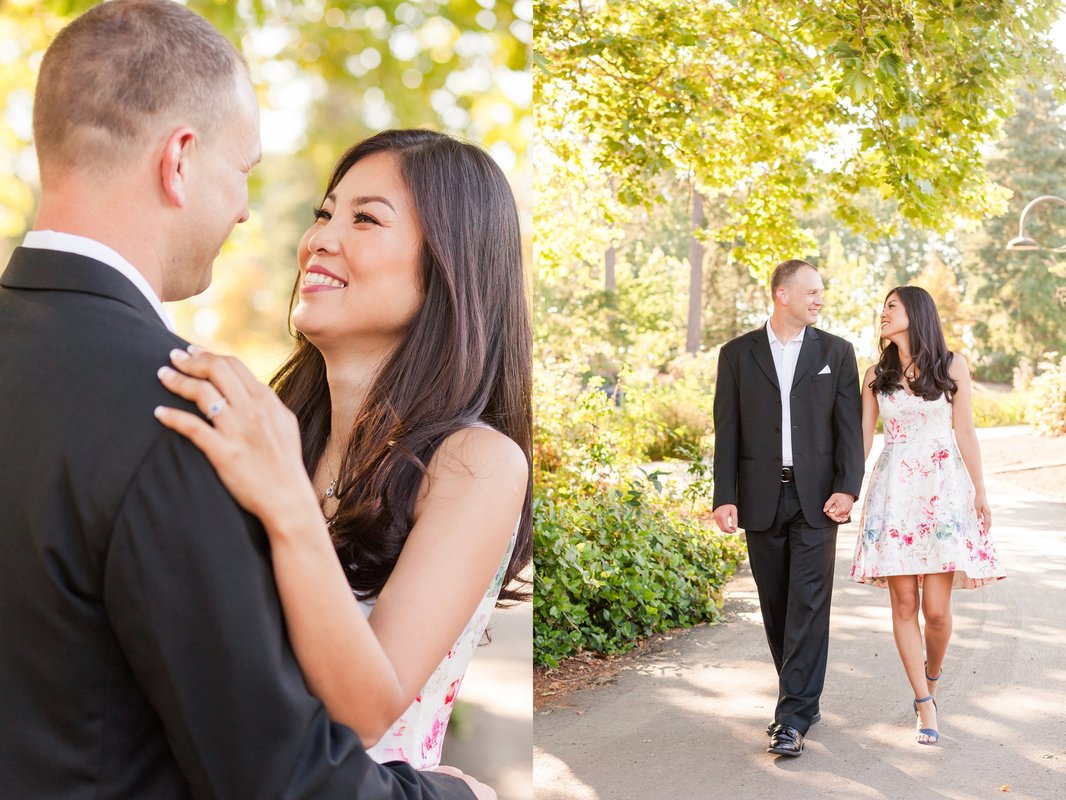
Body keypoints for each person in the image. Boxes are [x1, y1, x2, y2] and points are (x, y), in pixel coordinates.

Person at [0, 2, 487, 798]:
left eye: (363, 218)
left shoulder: (240, 420)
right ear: (180, 160)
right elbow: (271, 774)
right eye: (244, 171)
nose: (249, 211)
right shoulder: (178, 410)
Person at [153, 127, 532, 769]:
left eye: (365, 219)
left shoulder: (476, 463)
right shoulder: (273, 435)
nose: (320, 240)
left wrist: (282, 501)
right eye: (324, 213)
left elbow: (362, 711)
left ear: (448, 263)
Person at [712, 258, 864, 758]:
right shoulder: (737, 354)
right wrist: (724, 495)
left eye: (821, 292)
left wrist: (849, 486)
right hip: (760, 496)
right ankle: (802, 697)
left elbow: (849, 428)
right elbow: (727, 430)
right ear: (782, 294)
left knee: (809, 603)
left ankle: (793, 715)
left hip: (818, 497)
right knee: (776, 605)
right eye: (812, 292)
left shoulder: (837, 353)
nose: (820, 299)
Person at [850, 285, 1005, 745]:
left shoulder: (951, 365)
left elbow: (966, 431)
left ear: (915, 313)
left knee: (936, 613)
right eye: (882, 308)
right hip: (894, 492)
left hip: (942, 491)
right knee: (904, 604)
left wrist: (980, 491)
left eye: (891, 307)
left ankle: (931, 680)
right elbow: (863, 437)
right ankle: (922, 703)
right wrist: (847, 490)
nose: (882, 314)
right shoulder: (876, 373)